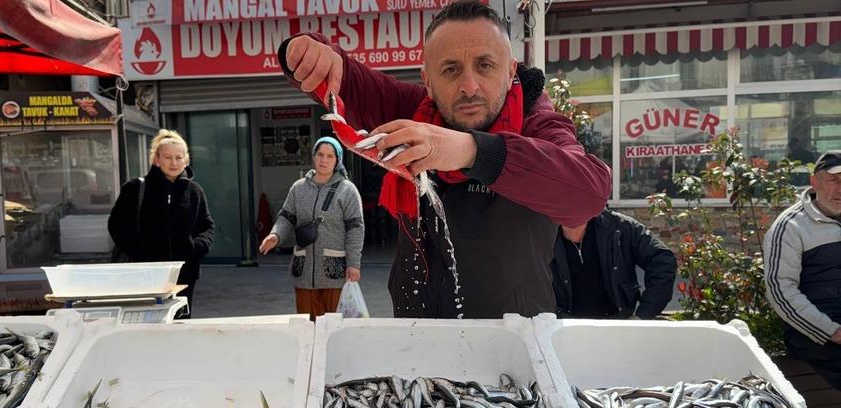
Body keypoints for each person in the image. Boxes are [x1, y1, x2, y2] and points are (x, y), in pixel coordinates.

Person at [278, 0, 611, 319]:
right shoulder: (416, 112)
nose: (469, 86)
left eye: (485, 65)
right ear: (428, 81)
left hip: (512, 342)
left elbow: (588, 193)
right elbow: (346, 80)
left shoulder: (538, 123)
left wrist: (469, 150)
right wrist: (308, 51)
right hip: (417, 336)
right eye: (450, 70)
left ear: (510, 70)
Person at [108, 129, 214, 318]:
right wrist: (139, 251)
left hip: (183, 275)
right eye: (167, 157)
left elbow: (206, 226)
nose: (174, 163)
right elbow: (117, 226)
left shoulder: (195, 192)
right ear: (156, 160)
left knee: (180, 325)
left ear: (186, 161)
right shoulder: (134, 189)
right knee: (145, 323)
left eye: (178, 157)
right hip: (143, 274)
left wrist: (195, 248)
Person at [259, 137, 364, 320]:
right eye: (320, 155)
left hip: (334, 272)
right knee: (308, 325)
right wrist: (275, 235)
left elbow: (355, 229)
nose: (324, 160)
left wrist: (354, 263)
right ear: (314, 157)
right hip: (304, 273)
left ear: (337, 160)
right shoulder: (298, 188)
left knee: (333, 327)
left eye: (330, 156)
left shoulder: (347, 190)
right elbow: (286, 217)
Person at [764, 151, 841, 389]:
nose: (840, 189)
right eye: (833, 180)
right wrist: (833, 331)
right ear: (814, 182)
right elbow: (780, 290)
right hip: (815, 333)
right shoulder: (791, 226)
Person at [552, 209, 677, 319]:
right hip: (562, 330)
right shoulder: (540, 234)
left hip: (617, 327)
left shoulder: (619, 227)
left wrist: (642, 314)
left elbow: (663, 259)